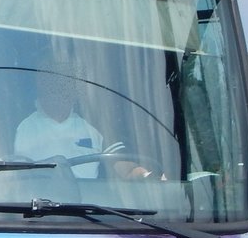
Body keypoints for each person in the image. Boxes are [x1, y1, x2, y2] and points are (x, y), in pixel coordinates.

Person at [14, 72, 149, 179]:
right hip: (34, 205)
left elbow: (124, 167)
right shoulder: (16, 125)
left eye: (66, 84)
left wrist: (141, 174)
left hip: (88, 208)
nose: (60, 91)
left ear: (75, 92)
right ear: (41, 87)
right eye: (53, 84)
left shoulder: (95, 125)